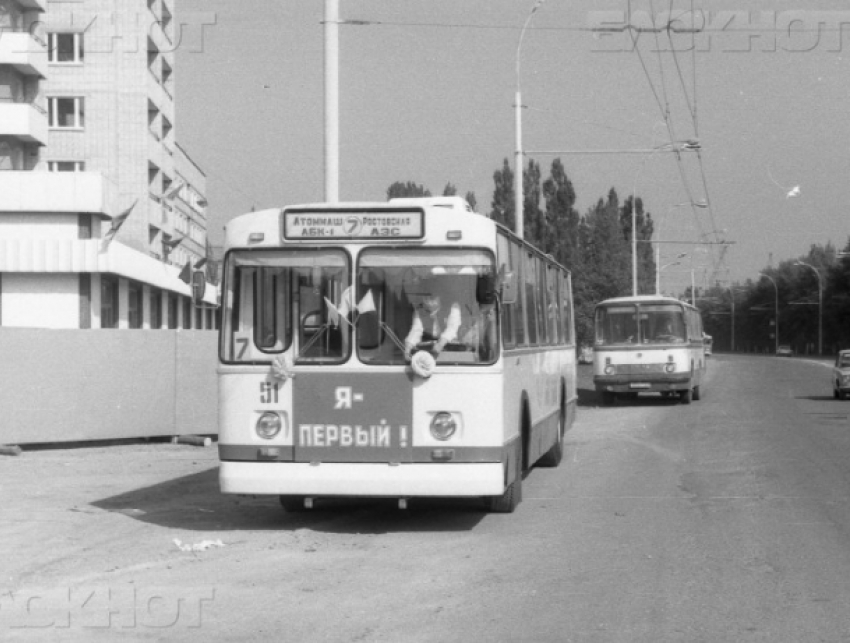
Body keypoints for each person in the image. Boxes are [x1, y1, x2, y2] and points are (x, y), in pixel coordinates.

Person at [404, 286, 462, 359]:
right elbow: (416, 330)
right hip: (429, 352)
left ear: (440, 297)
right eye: (426, 298)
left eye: (432, 298)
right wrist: (408, 348)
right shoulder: (420, 311)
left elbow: (452, 328)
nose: (429, 301)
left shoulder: (453, 307)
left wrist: (440, 344)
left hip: (452, 352)